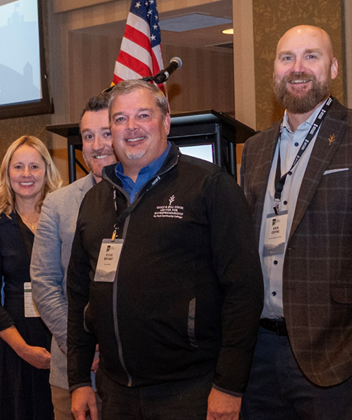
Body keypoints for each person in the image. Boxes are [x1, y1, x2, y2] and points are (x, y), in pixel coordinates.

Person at [238, 25, 352, 419]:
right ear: (275, 70)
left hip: (338, 356)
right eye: (287, 58)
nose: (297, 67)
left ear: (333, 68)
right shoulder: (254, 149)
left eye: (311, 56)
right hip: (258, 356)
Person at [67, 79, 264, 420]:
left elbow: (244, 291)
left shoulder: (210, 186)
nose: (131, 127)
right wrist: (79, 379)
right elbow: (78, 295)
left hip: (191, 391)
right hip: (115, 392)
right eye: (120, 119)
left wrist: (229, 385)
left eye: (143, 115)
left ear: (166, 121)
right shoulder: (95, 201)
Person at [30, 92, 117, 420]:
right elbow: (44, 283)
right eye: (88, 136)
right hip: (73, 371)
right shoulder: (58, 204)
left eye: (106, 133)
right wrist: (81, 346)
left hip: (135, 372)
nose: (97, 145)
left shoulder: (147, 197)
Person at [0, 136, 61, 420]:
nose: (26, 174)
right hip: (18, 345)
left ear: (47, 171)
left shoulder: (63, 219)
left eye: (34, 166)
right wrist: (23, 350)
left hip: (63, 339)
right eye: (18, 167)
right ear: (7, 173)